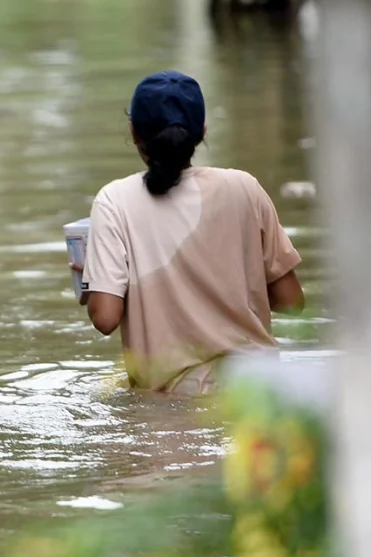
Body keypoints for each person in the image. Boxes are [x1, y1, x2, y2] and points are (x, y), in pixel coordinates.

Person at [74, 71, 304, 395]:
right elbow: (291, 301)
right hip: (258, 396)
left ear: (134, 132)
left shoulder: (115, 201)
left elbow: (105, 318)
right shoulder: (244, 188)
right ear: (202, 132)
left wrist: (97, 282)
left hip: (173, 404)